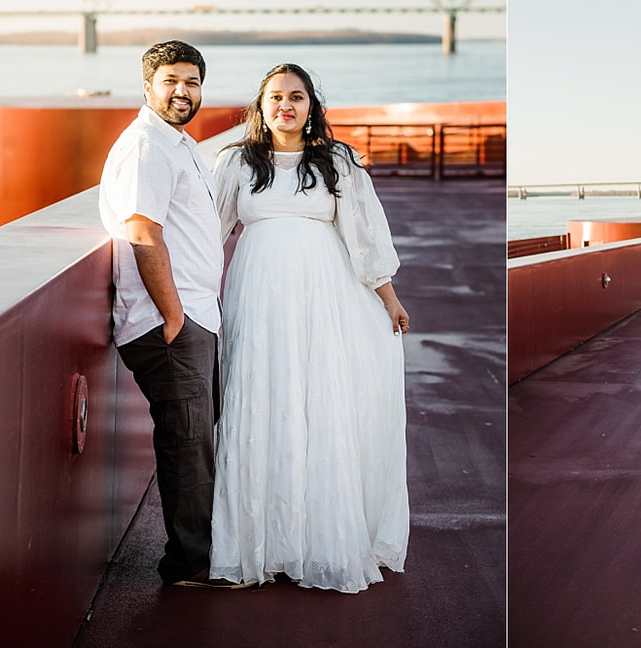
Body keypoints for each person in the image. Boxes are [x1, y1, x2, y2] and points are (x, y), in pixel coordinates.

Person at [209, 63, 410, 592]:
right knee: (261, 400)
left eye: (296, 97)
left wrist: (387, 296)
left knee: (317, 403)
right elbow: (208, 233)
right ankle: (263, 543)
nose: (285, 107)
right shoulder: (234, 163)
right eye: (275, 97)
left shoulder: (337, 162)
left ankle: (320, 538)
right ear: (260, 106)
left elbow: (363, 233)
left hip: (324, 297)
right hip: (256, 297)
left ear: (311, 106)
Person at [99, 41, 249, 588]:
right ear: (147, 86)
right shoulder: (146, 147)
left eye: (191, 82)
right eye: (171, 82)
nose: (183, 92)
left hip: (192, 316)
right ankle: (191, 566)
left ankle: (202, 554)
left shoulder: (178, 143)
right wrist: (173, 317)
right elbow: (142, 232)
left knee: (197, 440)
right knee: (188, 444)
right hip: (169, 322)